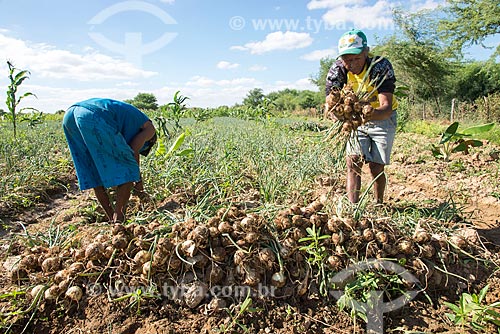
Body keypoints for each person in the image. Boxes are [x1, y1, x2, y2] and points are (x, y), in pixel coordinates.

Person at [325, 29, 398, 204]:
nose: (351, 63)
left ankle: (379, 203)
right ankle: (353, 207)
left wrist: (367, 114)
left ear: (366, 52)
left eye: (356, 58)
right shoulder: (338, 69)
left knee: (376, 166)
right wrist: (337, 113)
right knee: (353, 161)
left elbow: (386, 107)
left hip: (382, 118)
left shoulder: (380, 66)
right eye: (347, 59)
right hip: (355, 120)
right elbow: (329, 101)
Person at [62, 98, 157, 223]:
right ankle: (119, 219)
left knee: (94, 171)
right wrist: (139, 188)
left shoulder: (131, 123)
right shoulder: (150, 130)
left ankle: (112, 218)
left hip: (70, 115)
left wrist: (139, 186)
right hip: (93, 115)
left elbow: (134, 153)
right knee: (127, 169)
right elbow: (133, 153)